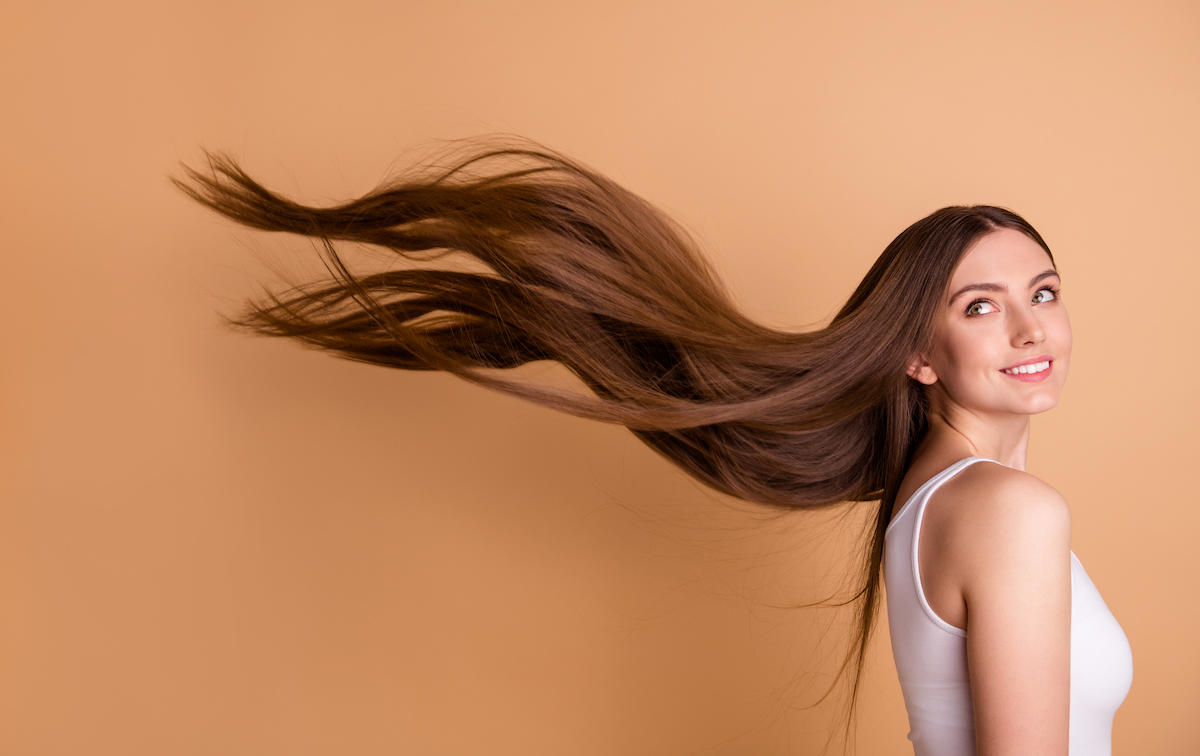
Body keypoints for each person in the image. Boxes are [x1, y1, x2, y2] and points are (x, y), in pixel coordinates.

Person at [177, 139, 1132, 754]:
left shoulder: (931, 499)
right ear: (917, 356)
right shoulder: (1008, 512)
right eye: (980, 307)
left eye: (1043, 293)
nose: (1030, 328)